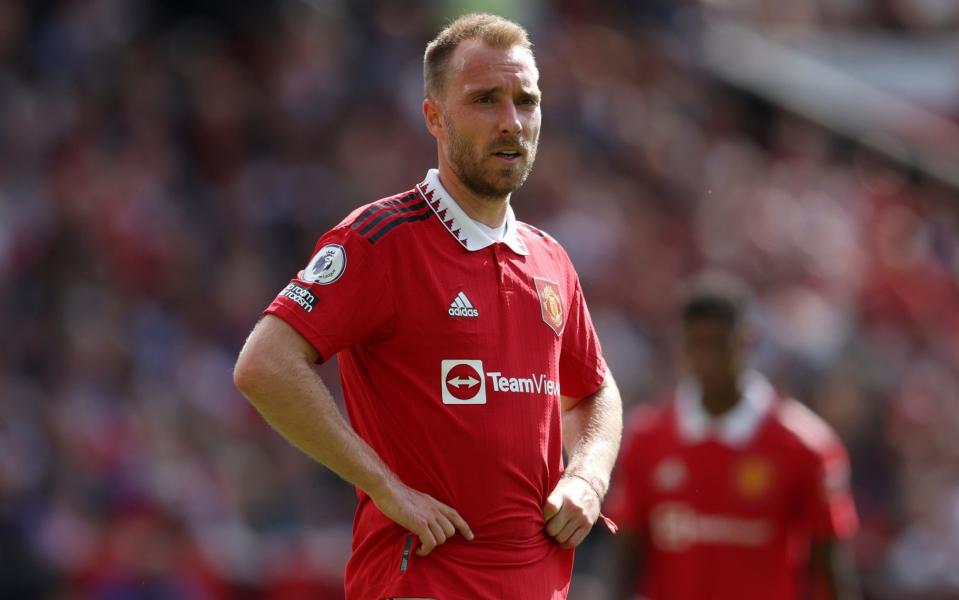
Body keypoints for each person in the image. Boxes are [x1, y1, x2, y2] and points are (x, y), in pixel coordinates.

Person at [233, 13, 622, 600]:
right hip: (424, 580)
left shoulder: (549, 258)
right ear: (434, 118)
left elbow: (594, 391)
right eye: (485, 100)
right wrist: (387, 488)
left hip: (539, 583)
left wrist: (588, 477)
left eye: (526, 100)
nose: (512, 121)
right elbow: (264, 364)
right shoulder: (380, 240)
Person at [607, 273, 861, 600]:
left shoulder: (805, 446)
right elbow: (625, 558)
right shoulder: (647, 439)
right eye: (697, 344)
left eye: (718, 343)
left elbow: (831, 567)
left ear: (746, 341)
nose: (707, 359)